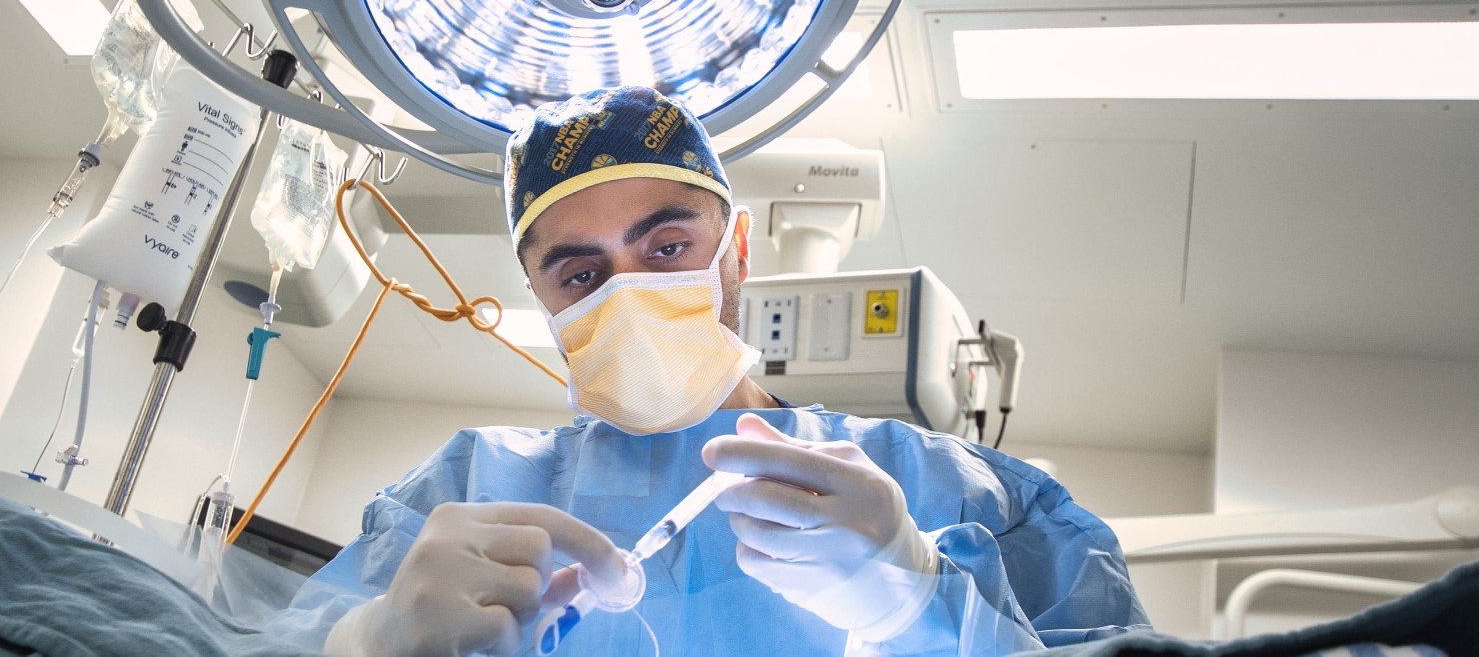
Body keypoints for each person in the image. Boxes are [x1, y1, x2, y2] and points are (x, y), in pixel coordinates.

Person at [270, 87, 1148, 656]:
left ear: (736, 250)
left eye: (667, 245)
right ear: (547, 302)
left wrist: (918, 603)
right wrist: (362, 642)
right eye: (582, 274)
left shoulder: (958, 493)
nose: (632, 291)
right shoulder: (468, 487)